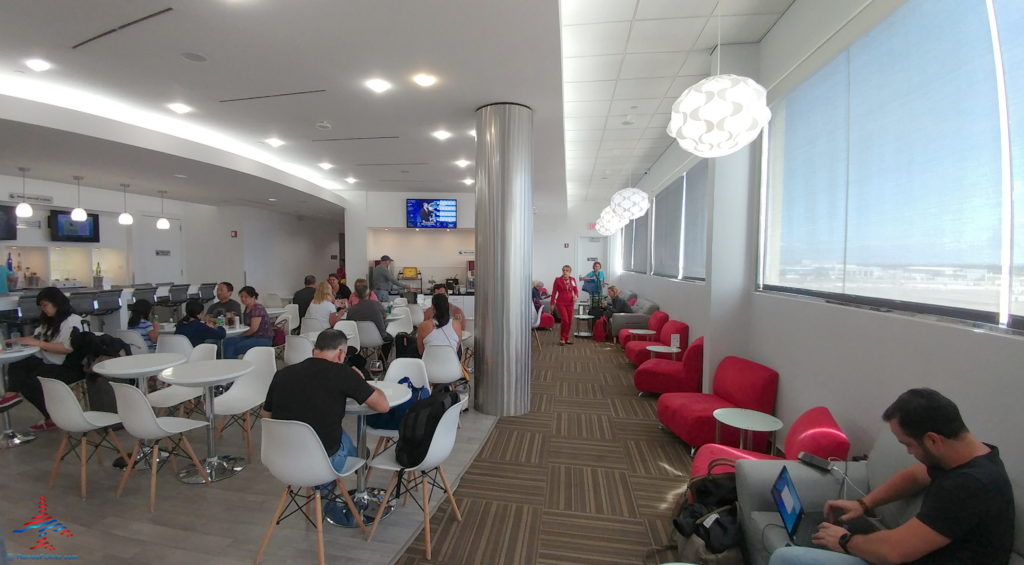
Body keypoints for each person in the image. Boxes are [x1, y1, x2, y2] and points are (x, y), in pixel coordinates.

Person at [769, 388, 1014, 565]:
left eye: (908, 444)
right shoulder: (967, 455)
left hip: (897, 556)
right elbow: (916, 476)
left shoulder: (971, 486)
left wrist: (844, 540)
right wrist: (863, 504)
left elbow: (893, 551)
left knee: (786, 558)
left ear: (932, 440)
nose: (909, 452)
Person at [262, 329, 388, 526]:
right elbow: (383, 405)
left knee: (332, 430)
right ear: (341, 353)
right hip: (323, 463)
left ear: (314, 351)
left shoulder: (282, 374)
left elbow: (267, 417)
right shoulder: (343, 373)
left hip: (281, 460)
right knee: (343, 441)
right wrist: (361, 381)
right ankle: (354, 465)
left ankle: (345, 467)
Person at [0, 287, 84, 431]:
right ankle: (11, 394)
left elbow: (67, 348)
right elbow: (37, 338)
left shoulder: (73, 321)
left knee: (29, 382)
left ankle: (52, 416)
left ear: (56, 302)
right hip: (49, 361)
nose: (43, 309)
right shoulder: (49, 321)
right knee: (18, 362)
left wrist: (38, 343)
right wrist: (15, 341)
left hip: (68, 366)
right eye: (41, 307)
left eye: (45, 305)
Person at [222, 286, 274, 359]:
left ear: (253, 297)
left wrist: (240, 335)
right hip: (251, 336)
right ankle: (230, 363)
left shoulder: (257, 308)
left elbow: (253, 329)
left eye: (246, 297)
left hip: (262, 338)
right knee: (228, 341)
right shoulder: (247, 307)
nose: (243, 299)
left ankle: (231, 364)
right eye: (241, 297)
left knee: (235, 347)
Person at [346, 278, 393, 358]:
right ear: (368, 293)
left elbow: (349, 325)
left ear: (356, 294)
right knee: (390, 339)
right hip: (379, 337)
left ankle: (359, 362)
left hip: (358, 339)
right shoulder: (376, 304)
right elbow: (384, 316)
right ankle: (382, 361)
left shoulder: (351, 310)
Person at [550, 264, 578, 346]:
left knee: (569, 321)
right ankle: (562, 338)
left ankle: (566, 338)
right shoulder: (557, 280)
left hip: (570, 303)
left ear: (570, 272)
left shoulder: (572, 279)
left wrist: (575, 296)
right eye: (564, 270)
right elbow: (554, 292)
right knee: (565, 320)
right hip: (561, 303)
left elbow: (576, 290)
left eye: (567, 271)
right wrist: (552, 303)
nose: (565, 272)